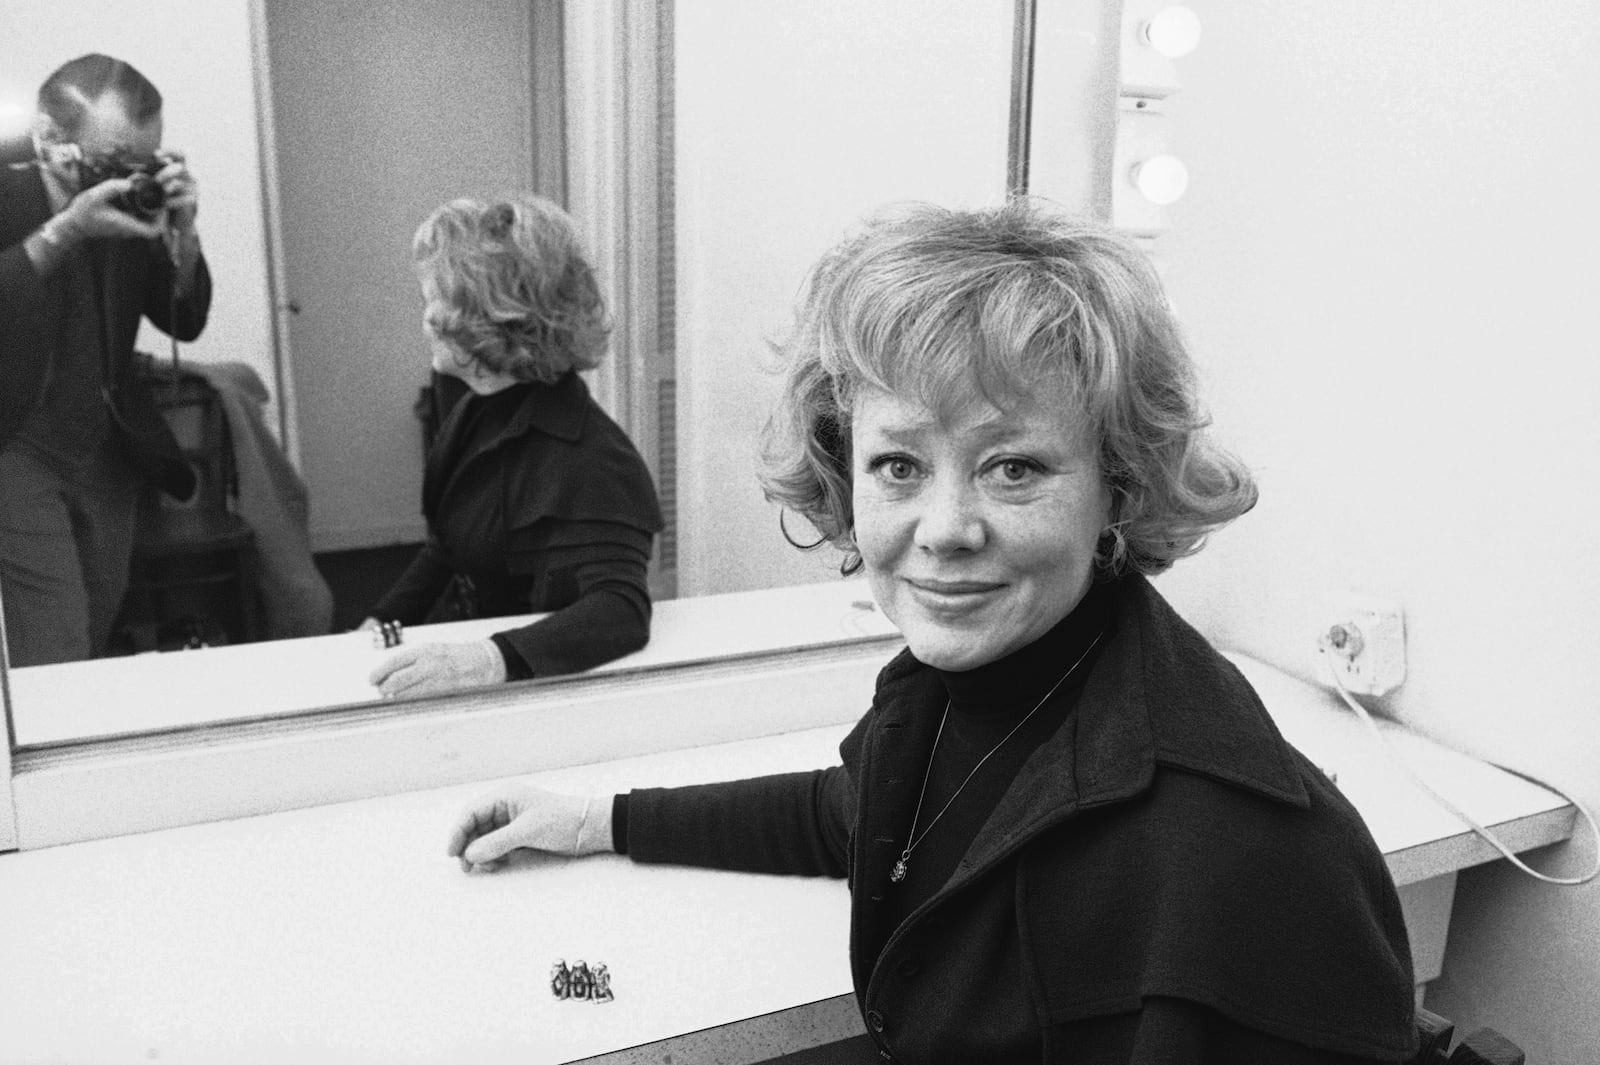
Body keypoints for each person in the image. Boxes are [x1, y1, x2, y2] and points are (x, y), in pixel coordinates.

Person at [441, 202, 1418, 1063]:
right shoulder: (980, 684)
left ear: (1114, 487)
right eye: (900, 466)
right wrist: (595, 821)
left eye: (1014, 468)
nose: (945, 531)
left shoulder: (1217, 849)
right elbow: (866, 816)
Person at [365, 194, 663, 698]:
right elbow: (449, 545)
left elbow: (621, 610)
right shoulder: (472, 405)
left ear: (490, 318)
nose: (425, 319)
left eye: (434, 301)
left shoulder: (594, 459)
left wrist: (485, 660)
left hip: (540, 694)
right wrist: (378, 622)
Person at [0, 54, 210, 667]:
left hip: (107, 450)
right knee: (56, 649)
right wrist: (65, 231)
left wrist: (186, 232)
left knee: (95, 629)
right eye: (113, 161)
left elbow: (184, 320)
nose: (125, 178)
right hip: (15, 448)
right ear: (49, 138)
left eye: (142, 163)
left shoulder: (130, 200)